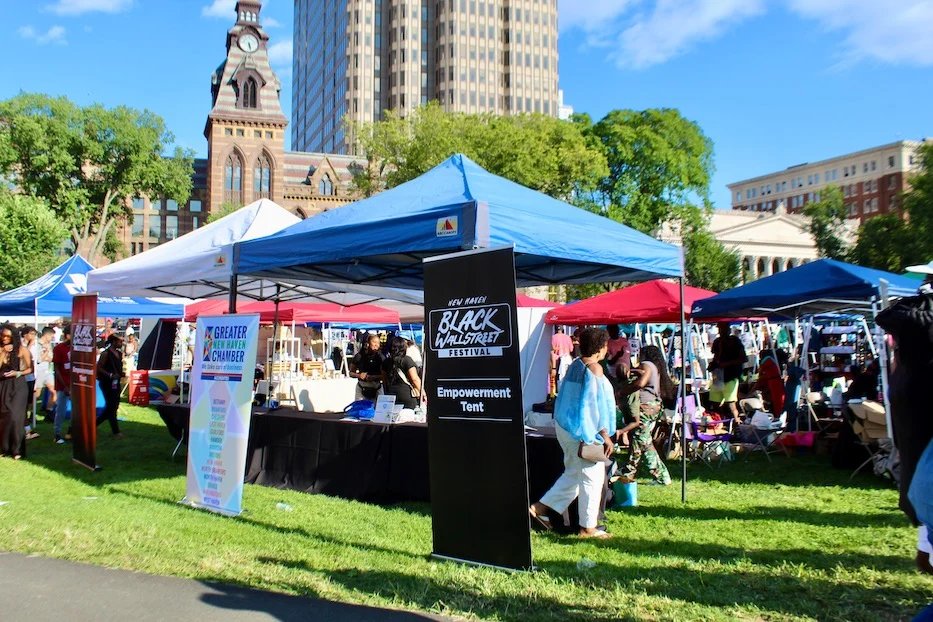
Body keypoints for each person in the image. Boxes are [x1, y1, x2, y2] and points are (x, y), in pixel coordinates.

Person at [529, 328, 616, 539]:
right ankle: (588, 527)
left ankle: (540, 508)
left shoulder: (576, 365)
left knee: (575, 474)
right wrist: (604, 434)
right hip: (583, 431)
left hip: (566, 427)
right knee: (592, 478)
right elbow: (593, 406)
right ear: (601, 348)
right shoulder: (594, 369)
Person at [876, 265, 933, 576]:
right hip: (917, 436)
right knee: (926, 556)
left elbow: (890, 316)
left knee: (926, 556)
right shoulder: (919, 327)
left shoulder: (920, 325)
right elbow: (888, 316)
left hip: (920, 440)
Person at [616, 345, 675, 486]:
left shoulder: (646, 364)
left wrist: (623, 392)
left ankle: (662, 476)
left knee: (644, 441)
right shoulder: (654, 367)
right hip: (653, 406)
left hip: (645, 407)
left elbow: (641, 383)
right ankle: (628, 471)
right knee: (638, 439)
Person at [0, 323, 33, 459]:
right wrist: (3, 352)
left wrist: (18, 373)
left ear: (13, 337)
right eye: (2, 336)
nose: (4, 338)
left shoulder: (22, 350)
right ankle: (5, 448)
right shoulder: (1, 349)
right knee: (4, 416)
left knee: (16, 417)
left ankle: (17, 450)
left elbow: (30, 369)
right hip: (3, 385)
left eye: (7, 336)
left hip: (18, 385)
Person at [708, 322, 746, 420]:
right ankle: (720, 422)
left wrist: (727, 364)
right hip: (718, 376)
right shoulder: (717, 341)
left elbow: (743, 358)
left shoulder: (735, 341)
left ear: (728, 330)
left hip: (731, 376)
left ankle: (736, 422)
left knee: (730, 404)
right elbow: (716, 356)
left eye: (724, 329)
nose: (722, 331)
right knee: (715, 403)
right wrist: (713, 365)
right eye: (720, 329)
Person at [96, 334, 124, 439]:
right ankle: (116, 431)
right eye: (120, 342)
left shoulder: (119, 354)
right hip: (106, 382)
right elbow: (98, 368)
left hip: (116, 383)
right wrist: (110, 375)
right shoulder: (106, 354)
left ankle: (93, 425)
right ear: (113, 342)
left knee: (113, 406)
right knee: (111, 407)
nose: (121, 344)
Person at [381, 336, 422, 409]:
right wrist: (423, 393)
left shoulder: (386, 362)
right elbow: (415, 379)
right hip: (407, 395)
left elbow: (384, 380)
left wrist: (387, 393)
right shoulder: (407, 360)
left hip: (391, 396)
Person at [52, 325, 72, 444]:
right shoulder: (58, 348)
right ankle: (57, 434)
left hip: (75, 384)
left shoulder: (78, 348)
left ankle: (71, 431)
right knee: (61, 410)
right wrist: (65, 386)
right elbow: (57, 369)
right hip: (63, 385)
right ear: (68, 335)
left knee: (77, 410)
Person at [349, 334, 385, 401]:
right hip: (362, 388)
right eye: (374, 342)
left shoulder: (381, 358)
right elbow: (351, 373)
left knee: (379, 407)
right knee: (361, 407)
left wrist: (373, 377)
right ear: (367, 343)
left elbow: (385, 376)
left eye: (378, 343)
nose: (376, 345)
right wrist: (359, 375)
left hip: (377, 387)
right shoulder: (359, 356)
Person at [36, 327, 56, 419]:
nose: (52, 338)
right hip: (39, 371)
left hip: (48, 370)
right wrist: (46, 352)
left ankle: (49, 411)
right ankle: (31, 413)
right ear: (47, 335)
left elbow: (51, 358)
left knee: (53, 391)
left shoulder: (48, 344)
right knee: (37, 394)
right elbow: (39, 359)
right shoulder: (37, 344)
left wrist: (46, 356)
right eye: (51, 336)